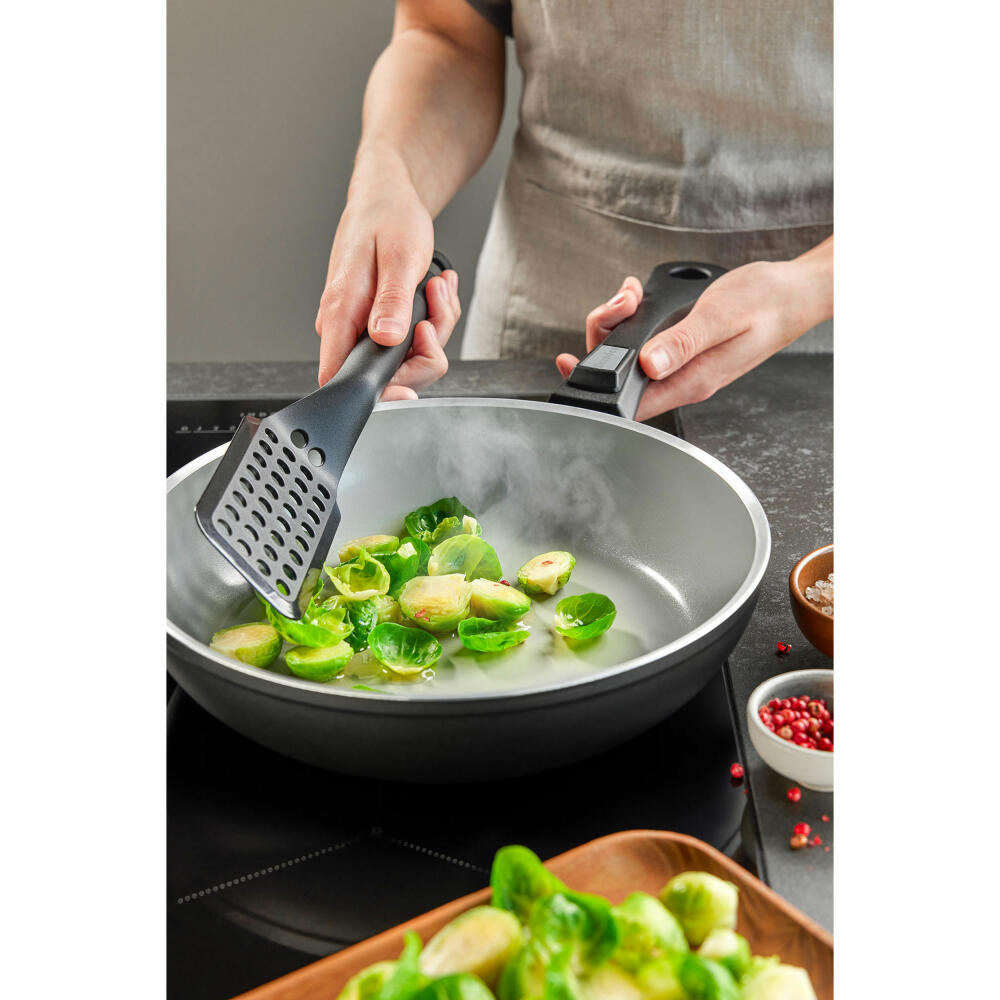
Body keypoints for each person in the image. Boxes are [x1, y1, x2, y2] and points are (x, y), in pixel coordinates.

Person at [315, 0, 832, 422]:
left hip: (821, 340)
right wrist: (387, 175)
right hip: (544, 295)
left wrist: (812, 285)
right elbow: (446, 34)